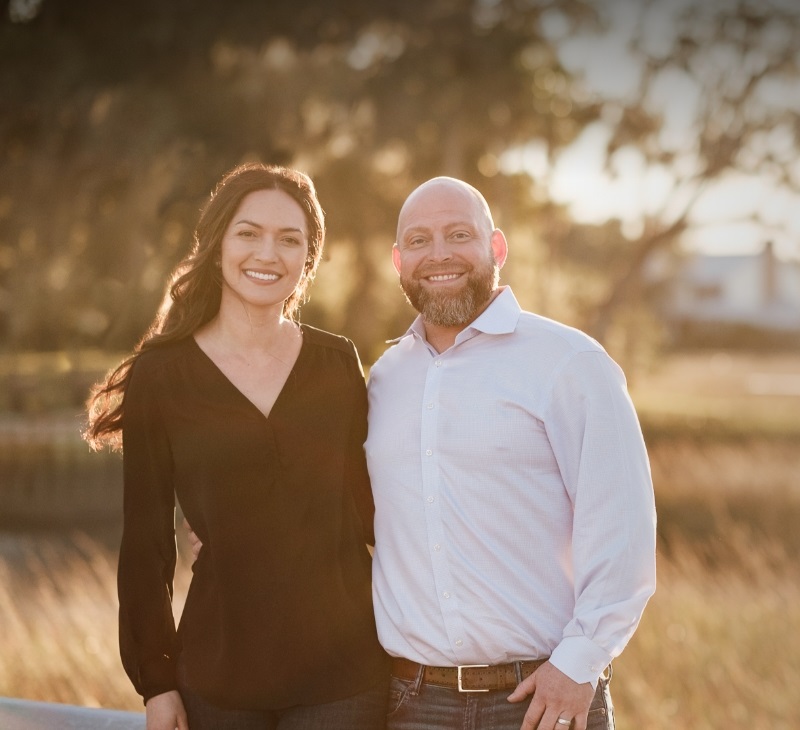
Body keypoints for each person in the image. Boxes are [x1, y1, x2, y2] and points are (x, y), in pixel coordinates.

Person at [84, 163, 389, 730]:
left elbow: (372, 509)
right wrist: (157, 684)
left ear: (308, 259)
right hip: (218, 672)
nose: (267, 254)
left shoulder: (336, 362)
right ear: (217, 242)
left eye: (289, 239)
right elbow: (146, 544)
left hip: (346, 671)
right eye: (249, 232)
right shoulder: (163, 374)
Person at [364, 177, 657, 730]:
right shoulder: (385, 379)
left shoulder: (568, 361)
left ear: (496, 248)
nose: (440, 254)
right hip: (413, 703)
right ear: (398, 260)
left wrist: (579, 664)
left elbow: (623, 528)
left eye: (459, 234)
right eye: (420, 240)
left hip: (543, 699)